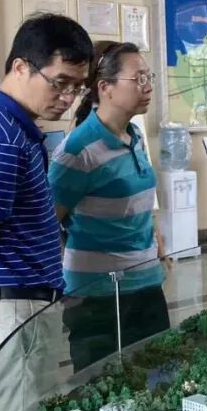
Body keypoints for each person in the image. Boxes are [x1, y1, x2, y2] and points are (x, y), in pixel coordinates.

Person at [0, 13, 92, 377]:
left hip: (18, 308)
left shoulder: (7, 125)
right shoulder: (1, 141)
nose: (67, 98)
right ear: (20, 67)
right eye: (59, 83)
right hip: (12, 314)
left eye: (77, 87)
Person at [49, 41, 169, 372]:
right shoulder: (78, 151)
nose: (147, 87)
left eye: (149, 77)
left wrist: (155, 239)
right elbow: (47, 224)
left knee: (159, 379)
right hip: (98, 296)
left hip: (147, 283)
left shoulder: (135, 136)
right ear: (105, 87)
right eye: (138, 78)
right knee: (105, 387)